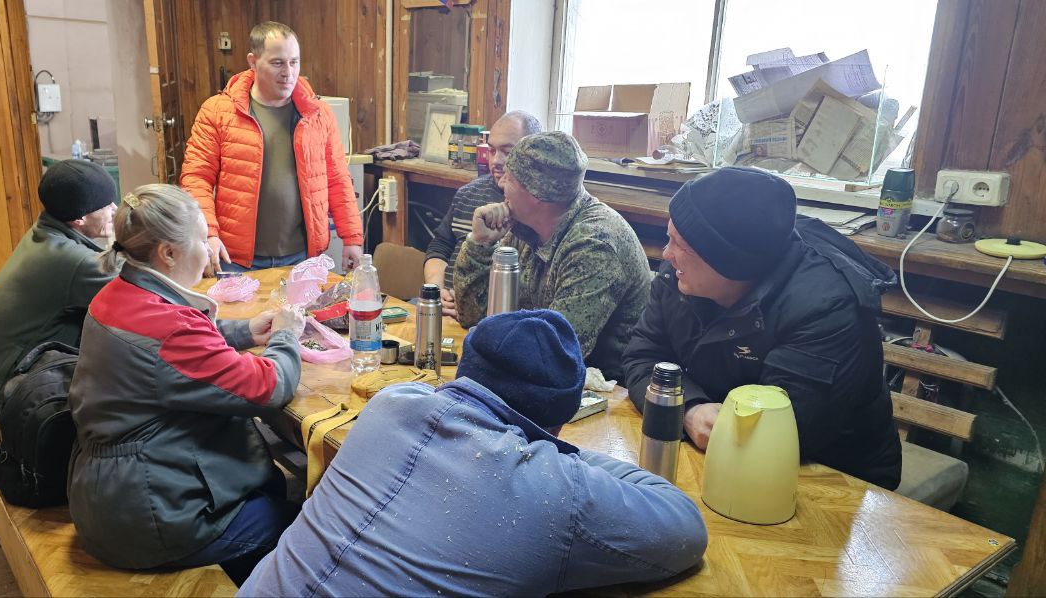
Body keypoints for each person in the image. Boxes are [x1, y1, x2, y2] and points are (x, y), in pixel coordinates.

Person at [240, 309, 708, 596]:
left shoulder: (392, 402)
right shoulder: (554, 487)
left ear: (464, 369)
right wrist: (555, 453)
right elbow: (685, 527)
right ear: (559, 423)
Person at [65, 184, 307, 584]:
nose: (210, 248)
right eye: (201, 238)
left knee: (278, 489)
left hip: (112, 492)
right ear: (169, 252)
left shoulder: (119, 293)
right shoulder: (171, 329)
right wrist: (286, 334)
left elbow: (173, 351)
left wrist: (244, 331)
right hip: (153, 515)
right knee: (310, 527)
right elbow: (270, 386)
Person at [622, 166, 902, 489]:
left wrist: (684, 410)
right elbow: (642, 358)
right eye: (668, 237)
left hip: (833, 478)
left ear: (727, 262)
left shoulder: (825, 310)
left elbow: (774, 436)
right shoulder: (681, 276)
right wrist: (688, 410)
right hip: (718, 453)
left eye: (679, 245)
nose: (666, 254)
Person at [452, 131, 650, 381]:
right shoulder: (525, 226)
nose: (501, 185)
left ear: (537, 195)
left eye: (510, 179)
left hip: (603, 399)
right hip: (537, 380)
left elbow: (554, 353)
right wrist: (480, 244)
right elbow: (474, 316)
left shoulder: (595, 245)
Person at [180, 21, 363, 274]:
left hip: (303, 258)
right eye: (278, 63)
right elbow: (196, 178)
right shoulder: (217, 111)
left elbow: (338, 179)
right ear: (253, 62)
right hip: (236, 260)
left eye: (294, 62)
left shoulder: (319, 114)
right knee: (242, 316)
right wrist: (208, 233)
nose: (288, 72)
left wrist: (352, 237)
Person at [0, 160, 118, 442]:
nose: (114, 211)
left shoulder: (47, 231)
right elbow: (143, 296)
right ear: (79, 218)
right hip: (9, 409)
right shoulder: (72, 260)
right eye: (106, 206)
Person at [423, 111, 541, 316]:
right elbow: (440, 245)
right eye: (492, 150)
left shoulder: (533, 206)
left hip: (486, 320)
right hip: (442, 311)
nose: (495, 160)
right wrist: (436, 289)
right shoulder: (468, 193)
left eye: (507, 151)